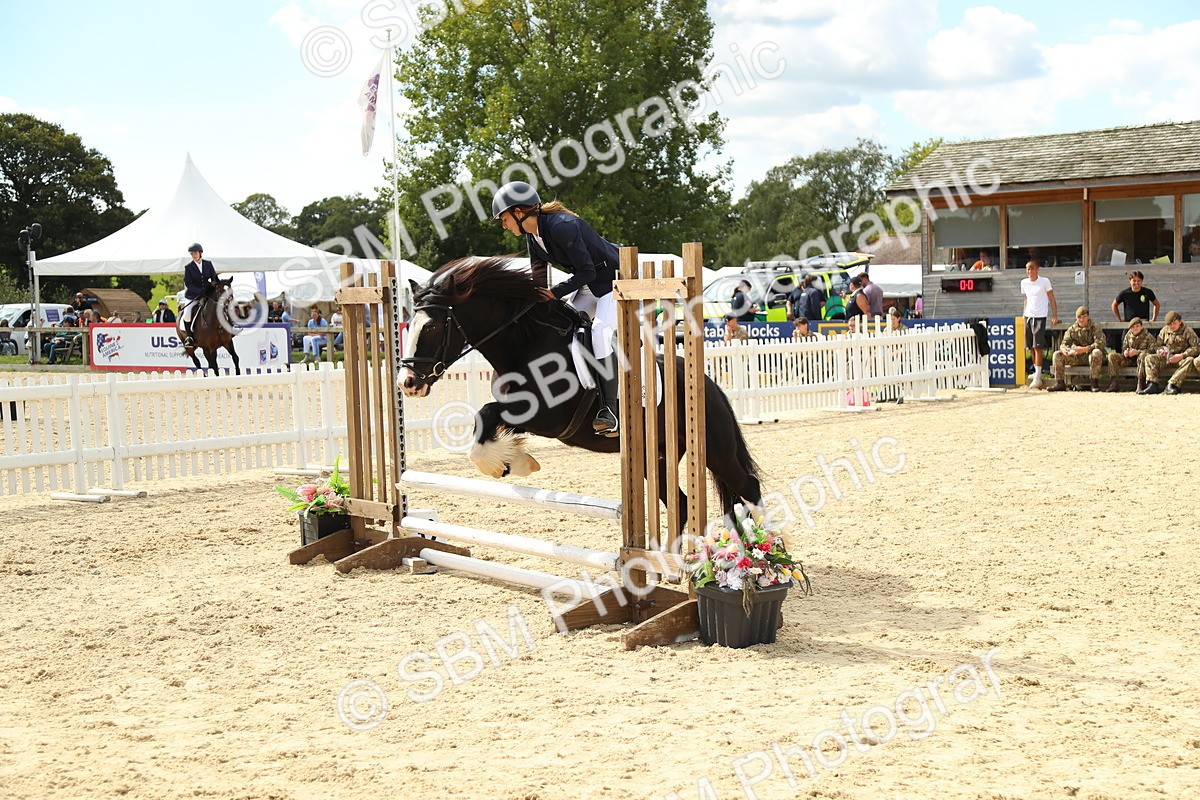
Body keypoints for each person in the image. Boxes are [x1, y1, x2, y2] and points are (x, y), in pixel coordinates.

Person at [492, 180, 622, 435]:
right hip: (590, 285)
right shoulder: (533, 236)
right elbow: (539, 281)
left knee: (600, 332)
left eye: (504, 218)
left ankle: (610, 410)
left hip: (615, 284)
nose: (503, 225)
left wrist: (553, 294)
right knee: (565, 324)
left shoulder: (563, 226)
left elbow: (584, 271)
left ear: (519, 212)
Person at [1047, 307, 1105, 392]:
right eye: (1079, 317)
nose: (1081, 319)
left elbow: (1100, 344)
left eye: (1084, 317)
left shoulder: (1095, 327)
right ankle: (1060, 383)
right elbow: (1064, 343)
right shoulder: (1072, 329)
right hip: (1077, 356)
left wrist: (1085, 349)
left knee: (1096, 352)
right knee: (1057, 354)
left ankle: (1094, 383)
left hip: (1091, 356)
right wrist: (1065, 349)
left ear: (1088, 316)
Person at [1141, 311, 1200, 395]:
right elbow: (1157, 345)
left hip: (1181, 359)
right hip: (1167, 358)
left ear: (1180, 322)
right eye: (1169, 324)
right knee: (1149, 358)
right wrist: (1160, 350)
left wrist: (1183, 355)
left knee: (1190, 360)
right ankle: (1152, 384)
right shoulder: (1164, 330)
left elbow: (1196, 347)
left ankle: (1172, 385)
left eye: (1174, 323)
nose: (1172, 326)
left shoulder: (1187, 331)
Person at [1020, 260, 1059, 389]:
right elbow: (1026, 299)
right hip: (1028, 316)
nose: (1030, 272)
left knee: (1038, 347)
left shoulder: (1044, 281)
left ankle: (1038, 376)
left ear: (1037, 270)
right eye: (1028, 270)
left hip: (1040, 316)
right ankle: (1037, 372)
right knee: (1030, 346)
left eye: (1032, 269)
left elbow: (1052, 298)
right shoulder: (1024, 282)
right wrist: (1023, 315)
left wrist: (1054, 315)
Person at [180, 243, 218, 347]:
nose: (194, 255)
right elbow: (188, 283)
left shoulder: (208, 264)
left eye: (195, 253)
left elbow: (214, 278)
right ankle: (188, 336)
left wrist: (213, 286)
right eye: (192, 253)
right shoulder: (188, 267)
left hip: (207, 294)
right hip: (193, 295)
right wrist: (199, 291)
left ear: (200, 253)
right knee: (187, 312)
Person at [1105, 317, 1157, 393]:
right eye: (1133, 327)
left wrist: (1137, 352)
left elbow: (1152, 351)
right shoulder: (1128, 335)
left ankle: (1140, 384)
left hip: (1142, 362)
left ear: (1141, 327)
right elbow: (1124, 347)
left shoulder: (1148, 336)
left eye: (1137, 326)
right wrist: (1126, 352)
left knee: (1143, 355)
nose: (1135, 328)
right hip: (1129, 360)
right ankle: (1114, 383)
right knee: (1112, 356)